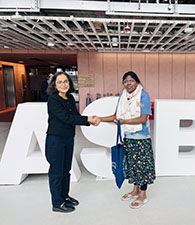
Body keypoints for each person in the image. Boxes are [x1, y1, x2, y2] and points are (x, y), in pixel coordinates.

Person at [45, 71, 100, 213]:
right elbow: (66, 118)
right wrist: (87, 120)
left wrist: (89, 121)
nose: (63, 84)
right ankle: (57, 203)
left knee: (66, 170)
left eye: (65, 81)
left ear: (69, 83)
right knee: (57, 172)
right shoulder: (53, 100)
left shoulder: (69, 98)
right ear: (55, 85)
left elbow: (75, 116)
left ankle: (64, 196)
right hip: (55, 139)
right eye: (60, 82)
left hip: (68, 138)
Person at [100, 71, 156, 209]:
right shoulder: (123, 97)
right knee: (132, 165)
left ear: (137, 82)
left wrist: (123, 121)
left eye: (131, 80)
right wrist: (99, 119)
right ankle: (135, 190)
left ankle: (143, 195)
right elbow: (115, 115)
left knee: (142, 167)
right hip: (128, 137)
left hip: (141, 137)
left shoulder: (144, 95)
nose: (128, 83)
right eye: (125, 81)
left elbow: (143, 118)